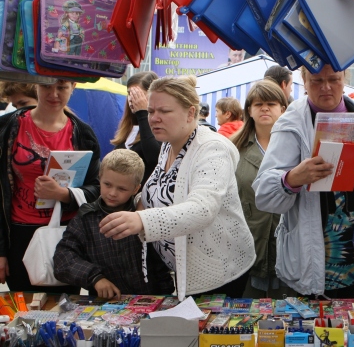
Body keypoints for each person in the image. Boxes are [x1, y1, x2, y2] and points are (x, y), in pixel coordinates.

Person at [98, 76, 255, 301]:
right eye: (150, 111)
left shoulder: (213, 149)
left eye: (164, 111)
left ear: (191, 113)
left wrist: (142, 221)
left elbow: (202, 209)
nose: (154, 118)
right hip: (179, 270)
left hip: (218, 271)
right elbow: (163, 190)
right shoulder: (169, 144)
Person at [253, 64, 354, 297]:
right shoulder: (291, 123)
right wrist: (291, 179)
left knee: (347, 320)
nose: (326, 87)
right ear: (304, 81)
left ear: (345, 79)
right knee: (312, 324)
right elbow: (264, 194)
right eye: (317, 81)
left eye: (334, 79)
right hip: (313, 253)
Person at [0, 79, 101, 293]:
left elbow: (98, 189)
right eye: (46, 86)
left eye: (62, 87)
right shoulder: (9, 126)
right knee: (24, 308)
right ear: (35, 85)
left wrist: (64, 194)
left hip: (66, 237)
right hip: (18, 235)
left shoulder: (82, 133)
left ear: (73, 87)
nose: (53, 94)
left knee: (63, 310)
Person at [54, 149, 174, 298]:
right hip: (103, 304)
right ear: (99, 178)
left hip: (148, 301)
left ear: (136, 188)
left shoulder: (146, 217)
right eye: (107, 184)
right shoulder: (86, 218)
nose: (112, 193)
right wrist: (95, 278)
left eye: (122, 188)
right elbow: (63, 258)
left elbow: (160, 264)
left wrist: (166, 297)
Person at [231, 80, 294, 299]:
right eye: (258, 104)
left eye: (271, 103)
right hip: (248, 243)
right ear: (249, 109)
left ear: (283, 109)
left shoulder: (296, 147)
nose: (264, 108)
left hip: (287, 244)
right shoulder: (233, 149)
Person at [111, 71, 161, 187]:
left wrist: (143, 113)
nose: (132, 99)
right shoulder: (129, 128)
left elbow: (154, 158)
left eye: (138, 95)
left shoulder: (159, 127)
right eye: (130, 94)